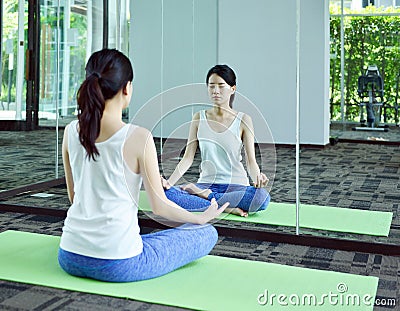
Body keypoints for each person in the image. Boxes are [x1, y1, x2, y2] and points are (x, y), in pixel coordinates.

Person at [58, 49, 228, 283]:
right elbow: (159, 207)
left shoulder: (69, 131)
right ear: (126, 88)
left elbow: (73, 195)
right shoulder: (139, 137)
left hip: (69, 256)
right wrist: (199, 218)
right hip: (119, 263)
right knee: (206, 233)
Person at [162, 64, 270, 217]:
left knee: (262, 198)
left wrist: (258, 178)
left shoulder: (244, 119)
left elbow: (251, 161)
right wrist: (169, 183)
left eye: (221, 86)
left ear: (233, 89)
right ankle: (225, 206)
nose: (215, 91)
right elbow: (187, 158)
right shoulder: (199, 117)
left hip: (236, 186)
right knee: (167, 194)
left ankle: (209, 199)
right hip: (205, 183)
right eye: (211, 86)